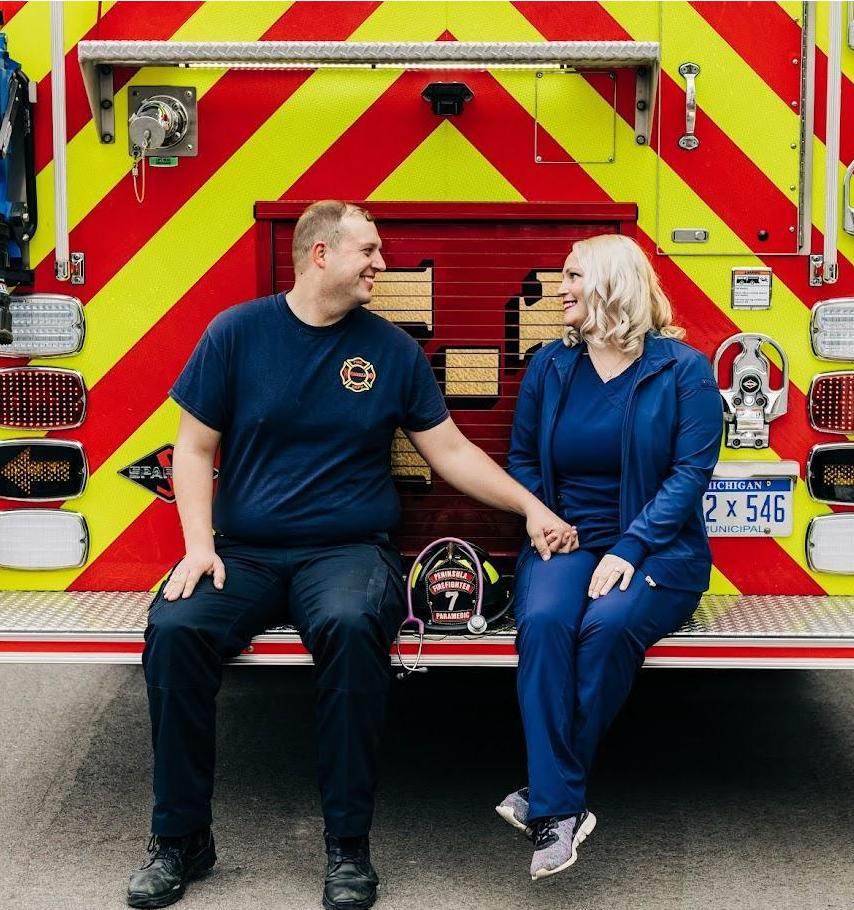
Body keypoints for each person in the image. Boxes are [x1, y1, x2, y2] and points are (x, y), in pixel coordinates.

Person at [126, 200, 576, 910]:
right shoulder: (236, 334)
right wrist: (198, 547)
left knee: (351, 625)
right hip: (245, 552)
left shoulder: (391, 351)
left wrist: (530, 507)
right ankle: (180, 840)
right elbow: (193, 447)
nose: (381, 264)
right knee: (176, 630)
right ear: (320, 254)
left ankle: (348, 848)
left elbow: (451, 450)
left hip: (347, 551)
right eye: (368, 251)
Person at [496, 234, 723, 881]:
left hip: (658, 550)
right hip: (570, 539)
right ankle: (562, 807)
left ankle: (550, 803)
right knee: (543, 623)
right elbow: (521, 457)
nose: (560, 287)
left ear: (611, 283)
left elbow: (689, 474)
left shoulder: (683, 371)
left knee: (606, 626)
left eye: (572, 276)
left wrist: (631, 546)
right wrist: (543, 517)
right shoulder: (551, 366)